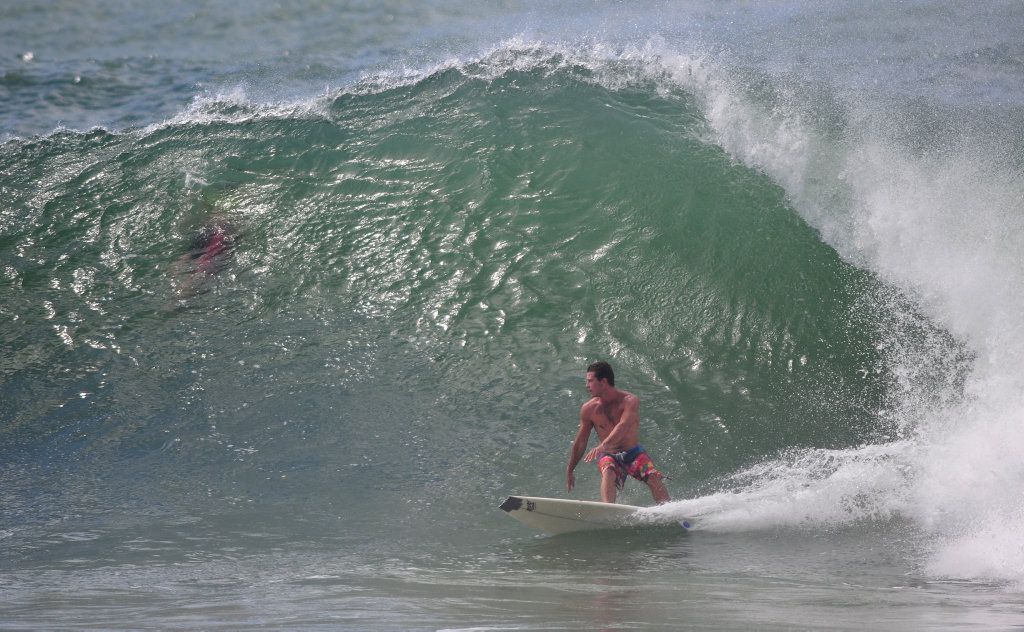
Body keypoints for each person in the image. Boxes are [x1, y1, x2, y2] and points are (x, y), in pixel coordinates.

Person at [566, 361, 670, 504]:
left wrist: (603, 445)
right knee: (608, 471)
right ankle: (608, 511)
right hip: (609, 454)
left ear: (603, 382)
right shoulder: (589, 409)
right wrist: (570, 469)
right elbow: (581, 442)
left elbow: (623, 426)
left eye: (590, 381)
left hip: (634, 452)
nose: (587, 385)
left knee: (651, 476)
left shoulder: (629, 401)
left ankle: (669, 511)